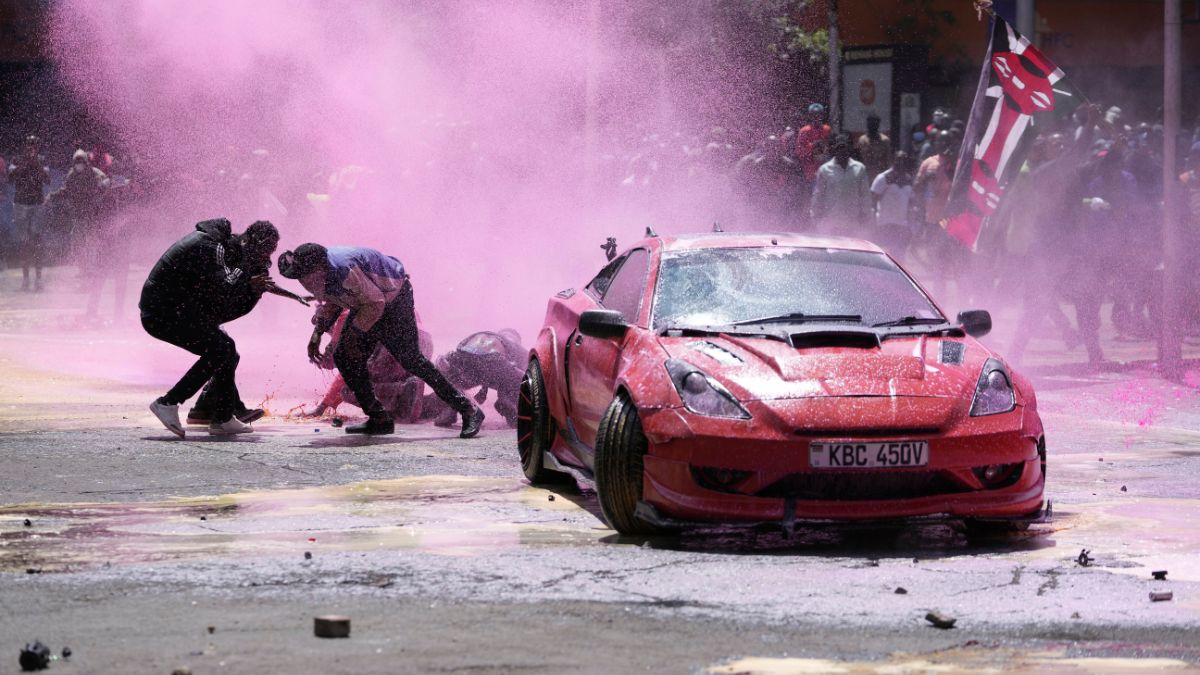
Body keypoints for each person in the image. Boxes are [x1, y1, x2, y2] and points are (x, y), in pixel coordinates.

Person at [278, 243, 483, 437]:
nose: (303, 283)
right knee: (344, 356)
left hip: (393, 300)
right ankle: (379, 418)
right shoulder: (323, 276)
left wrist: (355, 334)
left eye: (305, 277)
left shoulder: (345, 271)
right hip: (369, 303)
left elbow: (376, 302)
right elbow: (333, 300)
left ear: (320, 269)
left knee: (411, 360)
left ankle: (468, 409)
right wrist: (317, 335)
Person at [141, 219, 281, 437]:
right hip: (161, 313)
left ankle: (221, 417)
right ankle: (168, 403)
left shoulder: (227, 251)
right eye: (265, 250)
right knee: (220, 349)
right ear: (251, 242)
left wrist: (253, 291)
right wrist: (247, 278)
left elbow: (224, 306)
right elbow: (225, 285)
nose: (266, 258)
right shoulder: (211, 245)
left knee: (227, 350)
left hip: (177, 310)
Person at [423, 329, 526, 429]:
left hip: (469, 360)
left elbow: (457, 352)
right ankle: (507, 401)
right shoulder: (518, 348)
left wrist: (448, 365)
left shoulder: (483, 334)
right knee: (513, 382)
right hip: (497, 365)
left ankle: (452, 402)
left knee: (452, 377)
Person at [8, 136, 51, 291]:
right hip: (20, 204)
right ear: (24, 146)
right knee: (24, 242)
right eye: (28, 145)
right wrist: (24, 164)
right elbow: (10, 178)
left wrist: (36, 164)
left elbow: (47, 180)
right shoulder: (16, 159)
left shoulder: (42, 160)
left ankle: (38, 279)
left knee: (38, 241)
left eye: (34, 145)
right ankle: (25, 279)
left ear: (37, 146)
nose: (31, 148)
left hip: (37, 204)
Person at [809, 133, 870, 236]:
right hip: (831, 223)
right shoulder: (824, 170)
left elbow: (865, 195)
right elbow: (818, 195)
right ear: (834, 150)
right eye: (839, 148)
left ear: (849, 149)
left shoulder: (860, 169)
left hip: (852, 223)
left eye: (844, 147)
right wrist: (815, 215)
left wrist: (865, 214)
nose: (842, 151)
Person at [869, 151, 915, 259]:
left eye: (904, 160)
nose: (901, 162)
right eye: (898, 159)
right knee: (886, 255)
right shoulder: (883, 178)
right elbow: (873, 200)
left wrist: (911, 225)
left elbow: (911, 204)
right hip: (886, 223)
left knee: (900, 256)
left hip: (902, 225)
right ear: (893, 160)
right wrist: (872, 221)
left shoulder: (909, 180)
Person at [855, 114, 892, 181]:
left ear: (878, 125)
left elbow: (888, 160)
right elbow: (858, 159)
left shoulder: (884, 140)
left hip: (880, 176)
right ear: (867, 125)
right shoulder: (862, 140)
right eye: (870, 124)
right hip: (865, 175)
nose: (872, 127)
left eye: (875, 125)